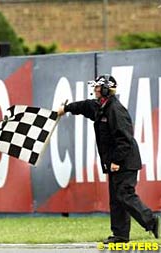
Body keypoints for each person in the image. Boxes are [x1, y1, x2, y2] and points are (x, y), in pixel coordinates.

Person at [57, 74, 159, 243]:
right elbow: (84, 106)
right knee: (116, 199)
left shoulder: (115, 110)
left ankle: (151, 221)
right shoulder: (100, 106)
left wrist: (117, 161)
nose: (95, 90)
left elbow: (124, 139)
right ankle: (120, 235)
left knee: (124, 195)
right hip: (115, 162)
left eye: (98, 87)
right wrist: (66, 108)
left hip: (124, 162)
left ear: (106, 89)